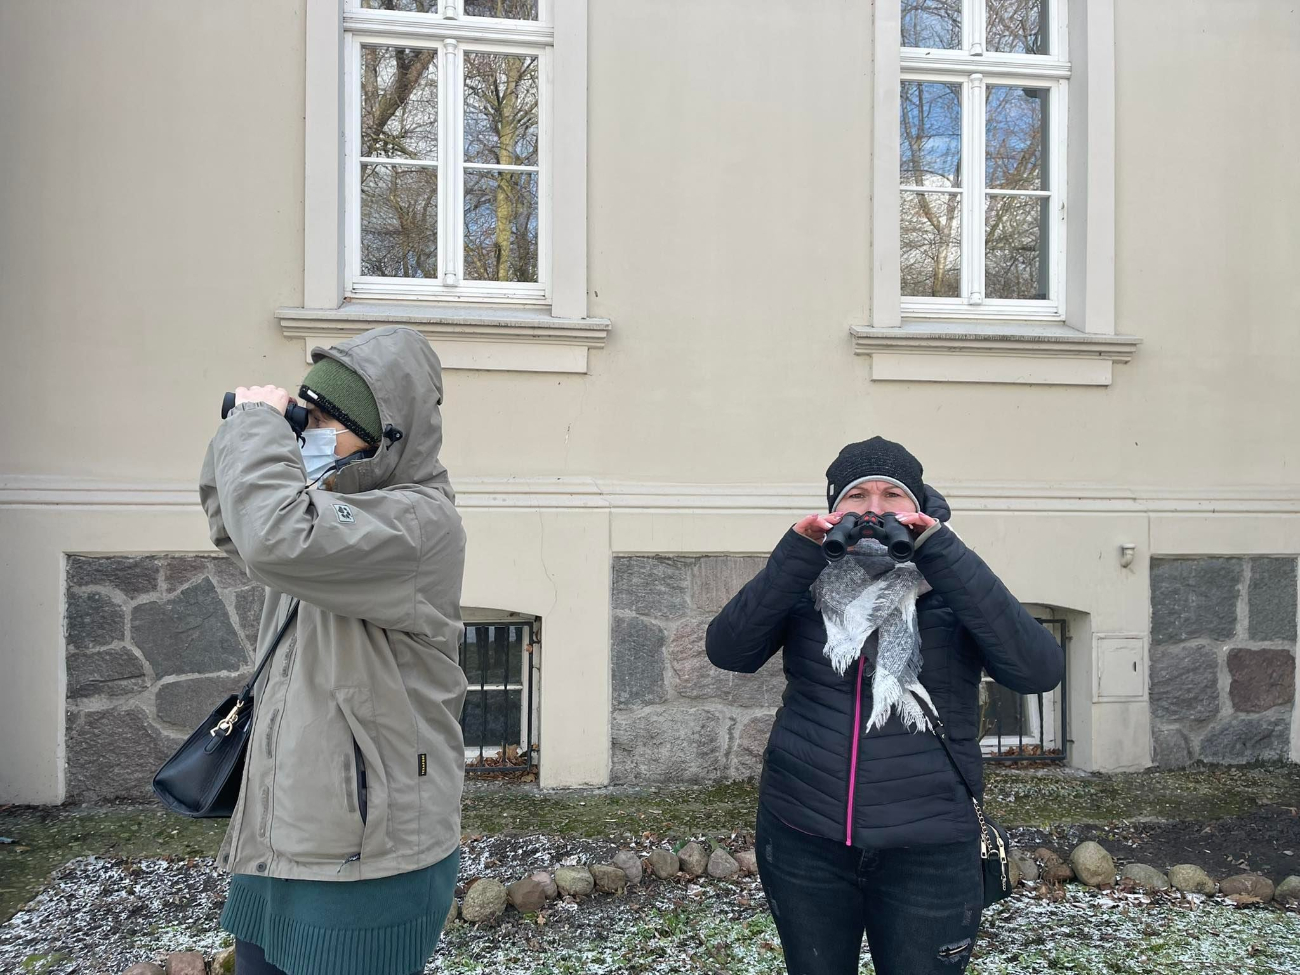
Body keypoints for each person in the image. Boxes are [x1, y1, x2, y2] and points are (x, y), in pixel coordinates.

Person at [706, 436, 1063, 975]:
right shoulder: (807, 583)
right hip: (805, 834)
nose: (874, 509)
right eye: (857, 496)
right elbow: (729, 650)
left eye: (892, 494)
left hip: (930, 846)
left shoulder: (949, 583)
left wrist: (940, 552)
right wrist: (798, 553)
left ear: (916, 505)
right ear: (834, 508)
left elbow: (1038, 670)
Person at [198, 325, 467, 975]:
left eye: (322, 423)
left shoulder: (418, 524)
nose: (307, 435)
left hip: (366, 861)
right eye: (304, 418)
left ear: (384, 435)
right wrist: (251, 426)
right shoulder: (318, 510)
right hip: (280, 840)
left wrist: (263, 431)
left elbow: (270, 538)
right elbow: (228, 518)